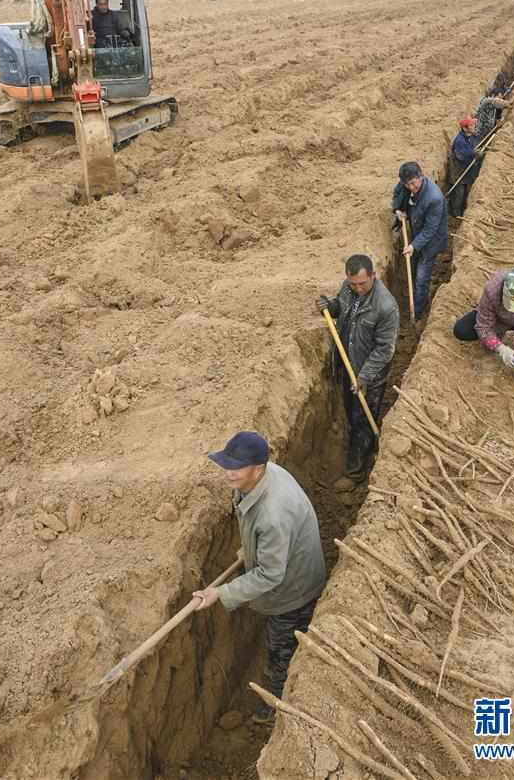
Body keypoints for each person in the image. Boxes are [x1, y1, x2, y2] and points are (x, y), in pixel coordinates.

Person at [192, 431, 326, 724]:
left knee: (281, 650)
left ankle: (277, 703)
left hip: (294, 590)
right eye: (227, 465)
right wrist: (248, 550)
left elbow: (270, 574)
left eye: (235, 467)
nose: (228, 473)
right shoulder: (260, 477)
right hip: (289, 560)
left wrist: (220, 593)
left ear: (258, 468)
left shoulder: (272, 515)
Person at [317, 255, 399, 486]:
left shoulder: (385, 306)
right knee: (352, 414)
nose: (358, 288)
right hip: (347, 364)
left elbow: (385, 350)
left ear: (373, 275)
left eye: (362, 283)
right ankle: (359, 445)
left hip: (369, 375)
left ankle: (356, 472)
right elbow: (342, 311)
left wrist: (364, 376)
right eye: (353, 283)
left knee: (362, 420)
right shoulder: (348, 288)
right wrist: (330, 306)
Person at [392, 162, 448, 319]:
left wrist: (413, 245)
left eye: (413, 183)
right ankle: (414, 289)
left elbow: (430, 230)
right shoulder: (405, 183)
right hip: (417, 232)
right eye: (407, 184)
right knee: (415, 264)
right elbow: (397, 193)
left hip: (431, 241)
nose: (410, 187)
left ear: (421, 176)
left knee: (422, 277)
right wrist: (397, 210)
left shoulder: (434, 198)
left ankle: (417, 312)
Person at [449, 116, 484, 217]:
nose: (474, 126)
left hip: (468, 170)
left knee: (466, 194)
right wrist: (474, 153)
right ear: (465, 128)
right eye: (472, 125)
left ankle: (464, 211)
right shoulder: (460, 141)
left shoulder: (472, 136)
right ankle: (455, 216)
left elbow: (476, 144)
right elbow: (461, 156)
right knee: (458, 195)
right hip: (458, 172)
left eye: (473, 124)